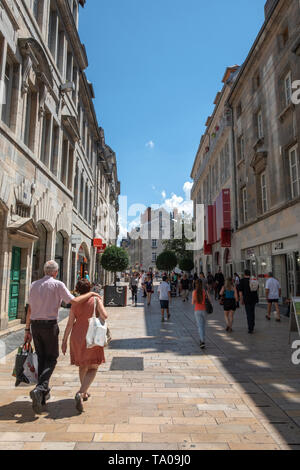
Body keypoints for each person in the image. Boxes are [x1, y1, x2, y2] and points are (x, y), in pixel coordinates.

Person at [24, 260, 102, 414]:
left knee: (41, 358)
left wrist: (27, 329)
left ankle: (42, 393)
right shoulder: (57, 284)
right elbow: (73, 301)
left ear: (44, 271)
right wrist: (91, 293)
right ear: (56, 272)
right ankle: (40, 388)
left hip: (35, 325)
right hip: (49, 325)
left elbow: (30, 309)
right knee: (52, 358)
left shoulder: (33, 285)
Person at [62, 279, 108, 413]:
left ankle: (84, 393)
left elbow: (70, 323)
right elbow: (105, 315)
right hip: (92, 336)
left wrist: (64, 341)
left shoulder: (75, 303)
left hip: (77, 336)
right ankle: (81, 392)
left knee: (83, 365)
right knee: (93, 367)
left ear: (77, 289)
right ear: (90, 289)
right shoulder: (95, 299)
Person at [192, 279, 212, 349]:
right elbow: (210, 300)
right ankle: (202, 340)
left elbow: (193, 302)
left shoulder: (194, 292)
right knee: (203, 326)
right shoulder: (205, 291)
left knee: (200, 326)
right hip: (204, 310)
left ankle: (202, 341)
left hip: (197, 310)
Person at [238, 269, 259, 334]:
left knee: (248, 313)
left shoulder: (242, 281)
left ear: (244, 274)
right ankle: (252, 324)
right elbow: (257, 288)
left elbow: (240, 292)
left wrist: (241, 299)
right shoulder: (253, 280)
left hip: (247, 299)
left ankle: (250, 328)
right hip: (254, 298)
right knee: (252, 312)